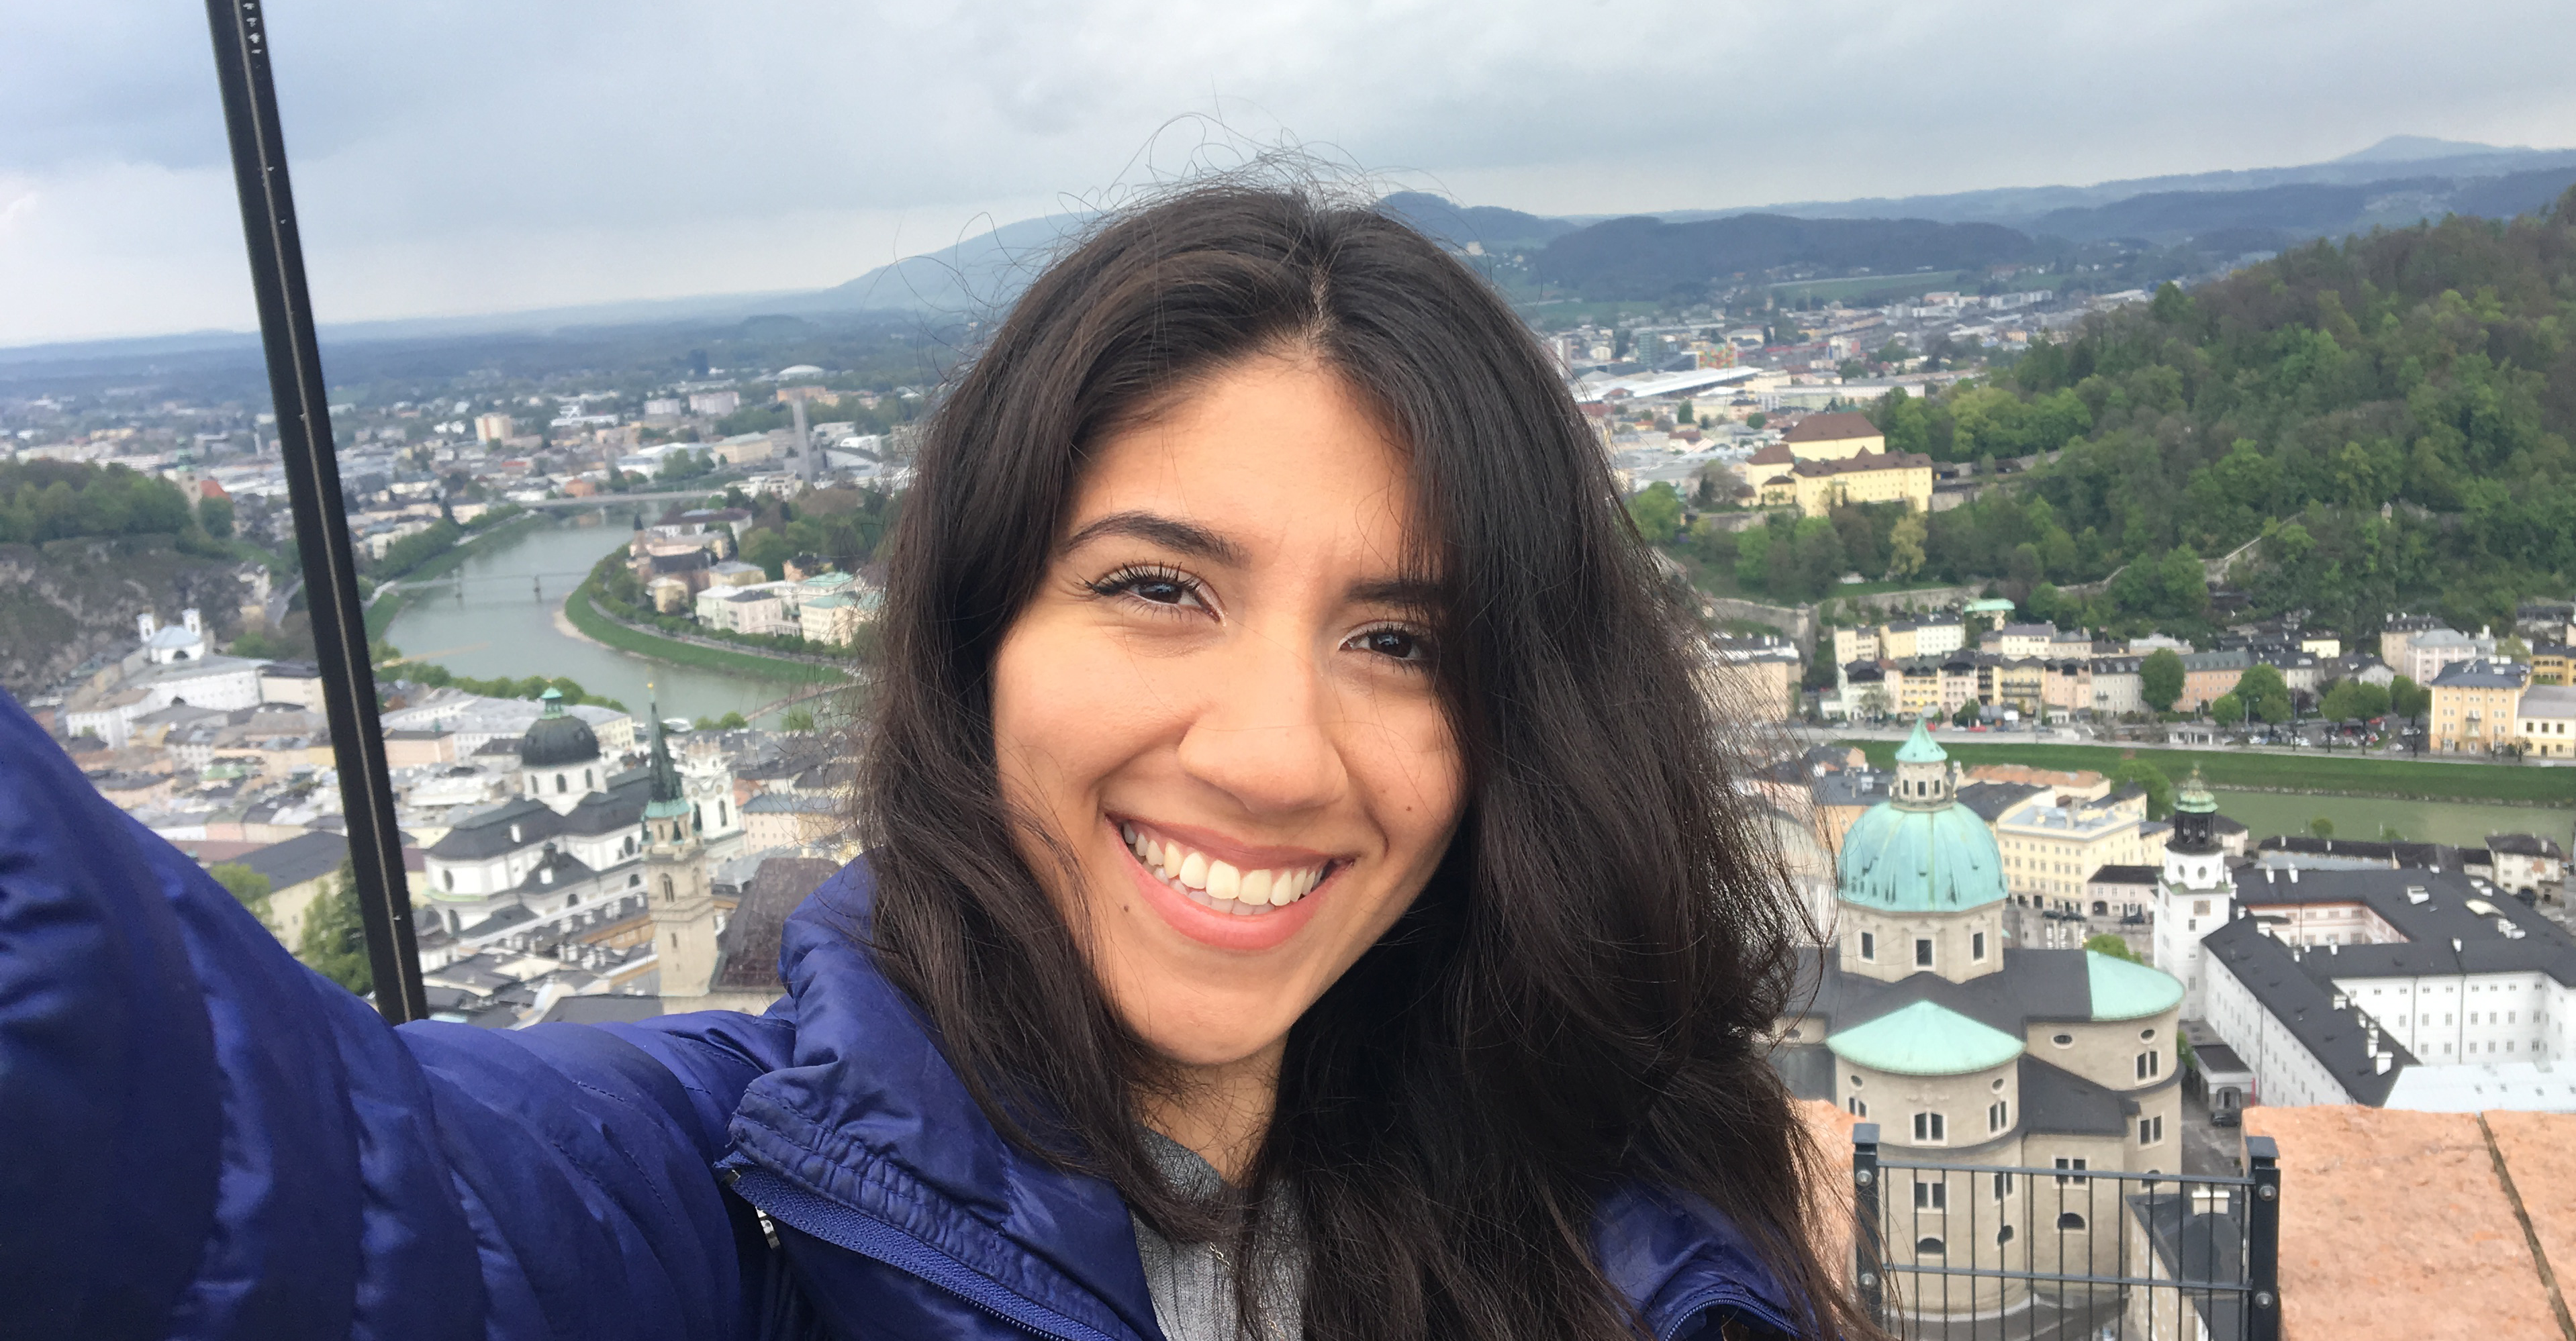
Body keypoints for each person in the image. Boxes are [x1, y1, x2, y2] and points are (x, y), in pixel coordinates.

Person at [0, 184, 1868, 1341]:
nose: (1275, 752)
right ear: (976, 651)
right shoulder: (738, 1192)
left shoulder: (1622, 1184)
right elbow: (224, 1172)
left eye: (1402, 641)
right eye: (1156, 587)